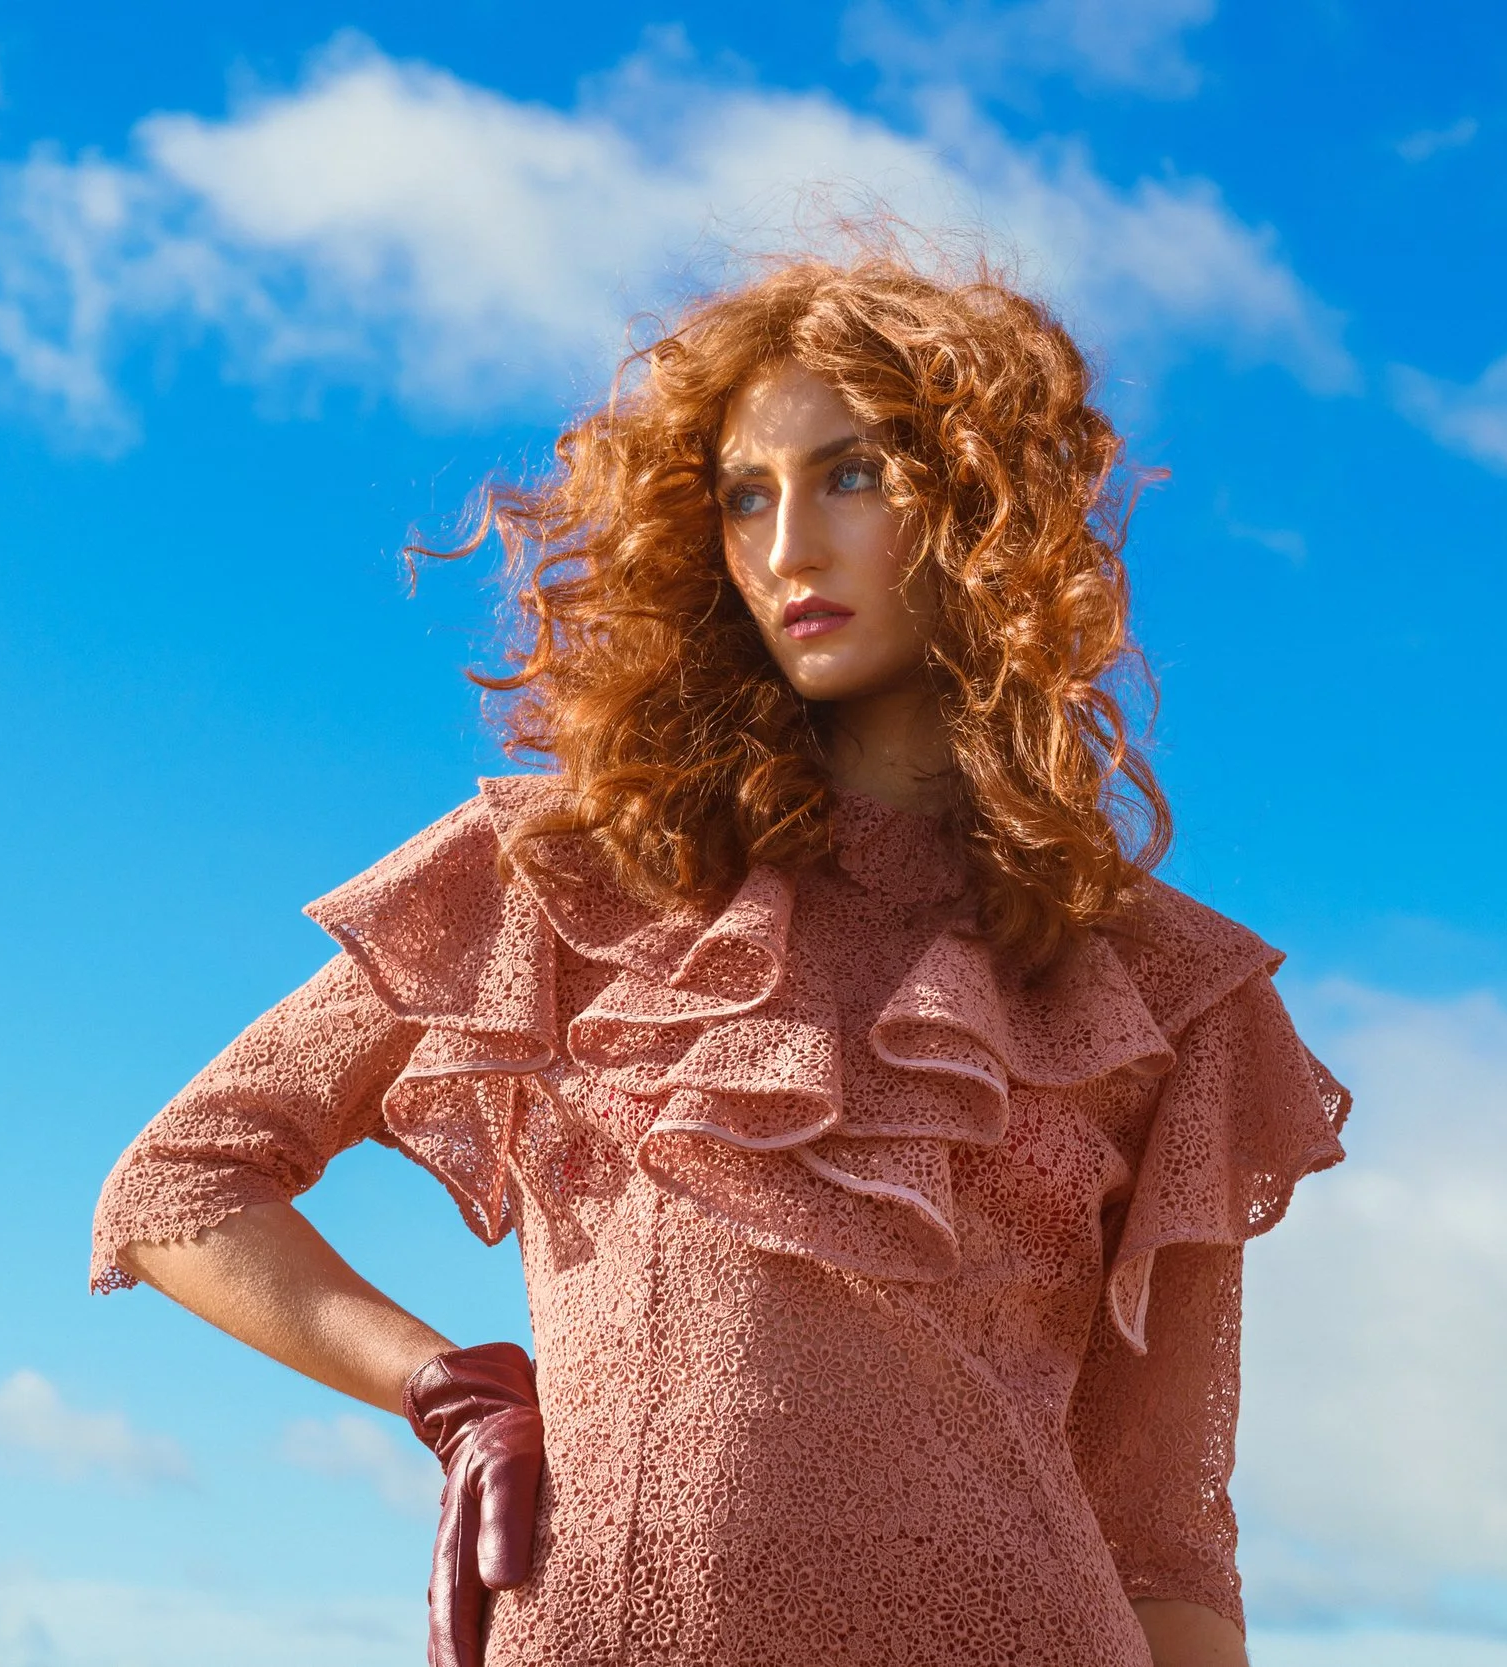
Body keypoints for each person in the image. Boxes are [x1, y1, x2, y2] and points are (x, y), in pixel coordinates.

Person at [87, 250, 1352, 1667]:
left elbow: (1165, 1533)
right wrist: (451, 1392)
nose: (790, 545)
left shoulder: (1166, 990)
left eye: (852, 475)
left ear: (978, 510)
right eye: (748, 493)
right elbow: (177, 1184)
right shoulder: (564, 879)